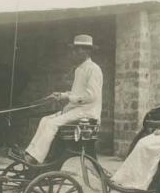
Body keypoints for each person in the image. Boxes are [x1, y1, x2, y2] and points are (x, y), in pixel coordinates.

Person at [14, 34, 103, 165]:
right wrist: (62, 95)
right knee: (45, 120)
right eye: (74, 49)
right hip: (77, 109)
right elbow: (77, 93)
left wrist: (68, 97)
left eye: (78, 50)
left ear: (87, 51)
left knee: (52, 124)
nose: (74, 53)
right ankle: (30, 153)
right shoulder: (80, 69)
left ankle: (35, 158)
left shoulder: (93, 69)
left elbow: (91, 96)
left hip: (87, 112)